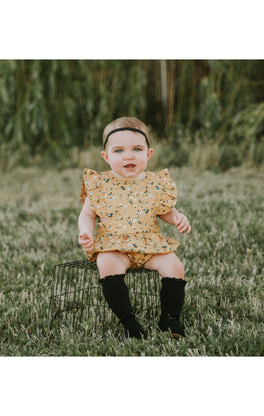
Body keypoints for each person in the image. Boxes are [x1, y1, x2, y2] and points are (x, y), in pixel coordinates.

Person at [78, 117, 191, 340]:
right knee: (106, 262)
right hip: (115, 246)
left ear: (148, 154)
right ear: (106, 156)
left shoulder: (155, 183)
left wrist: (177, 217)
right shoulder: (101, 185)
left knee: (175, 265)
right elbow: (87, 214)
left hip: (150, 245)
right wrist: (86, 233)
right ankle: (129, 322)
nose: (128, 156)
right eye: (119, 150)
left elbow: (165, 210)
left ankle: (170, 319)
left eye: (137, 149)